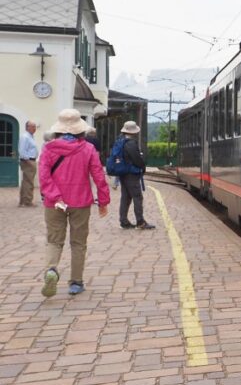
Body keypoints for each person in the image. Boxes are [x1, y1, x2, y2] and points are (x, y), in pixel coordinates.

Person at [38, 109, 110, 297]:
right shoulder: (88, 149)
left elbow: (44, 177)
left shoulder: (48, 149)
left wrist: (55, 195)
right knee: (78, 243)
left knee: (54, 241)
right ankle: (76, 283)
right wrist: (103, 201)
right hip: (81, 201)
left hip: (54, 203)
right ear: (80, 129)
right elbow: (98, 176)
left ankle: (52, 270)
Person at [114, 121, 154, 230]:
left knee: (125, 198)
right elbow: (137, 160)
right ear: (134, 132)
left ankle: (124, 221)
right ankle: (140, 222)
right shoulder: (131, 143)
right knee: (137, 197)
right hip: (131, 175)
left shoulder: (121, 141)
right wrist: (142, 166)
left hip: (123, 174)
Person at [18, 120, 38, 207]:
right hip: (28, 161)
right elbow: (22, 151)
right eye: (32, 126)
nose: (34, 128)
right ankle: (27, 201)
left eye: (35, 126)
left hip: (30, 160)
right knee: (29, 182)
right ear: (27, 127)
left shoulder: (30, 136)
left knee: (26, 182)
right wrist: (28, 161)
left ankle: (23, 201)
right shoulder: (25, 137)